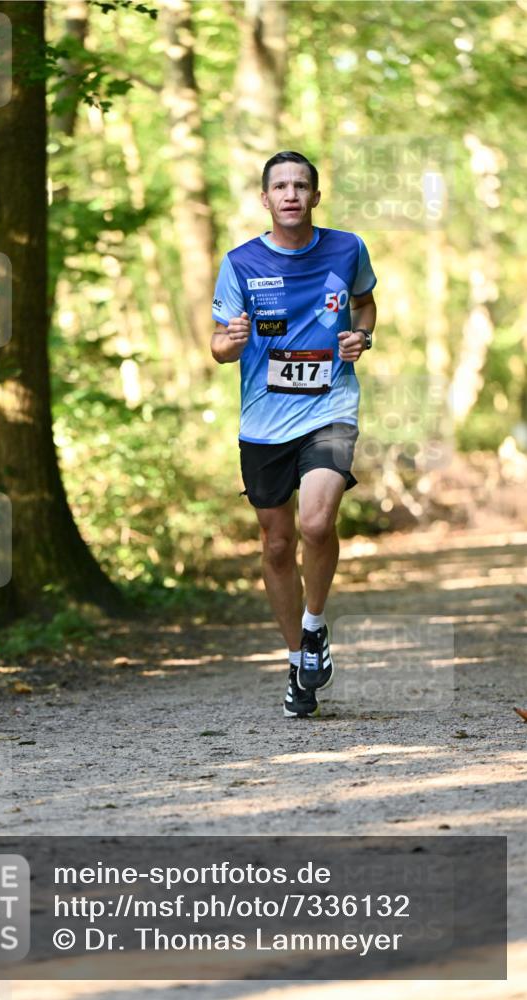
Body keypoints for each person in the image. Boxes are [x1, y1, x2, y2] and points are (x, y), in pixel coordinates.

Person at [211, 150, 377, 719]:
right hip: (263, 421)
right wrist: (230, 341)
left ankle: (314, 627)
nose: (289, 194)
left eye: (300, 185)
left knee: (315, 521)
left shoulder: (347, 248)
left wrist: (361, 337)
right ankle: (295, 665)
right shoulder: (239, 263)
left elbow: (365, 304)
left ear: (314, 196)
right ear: (265, 199)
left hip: (330, 407)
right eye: (279, 186)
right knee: (278, 544)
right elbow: (216, 346)